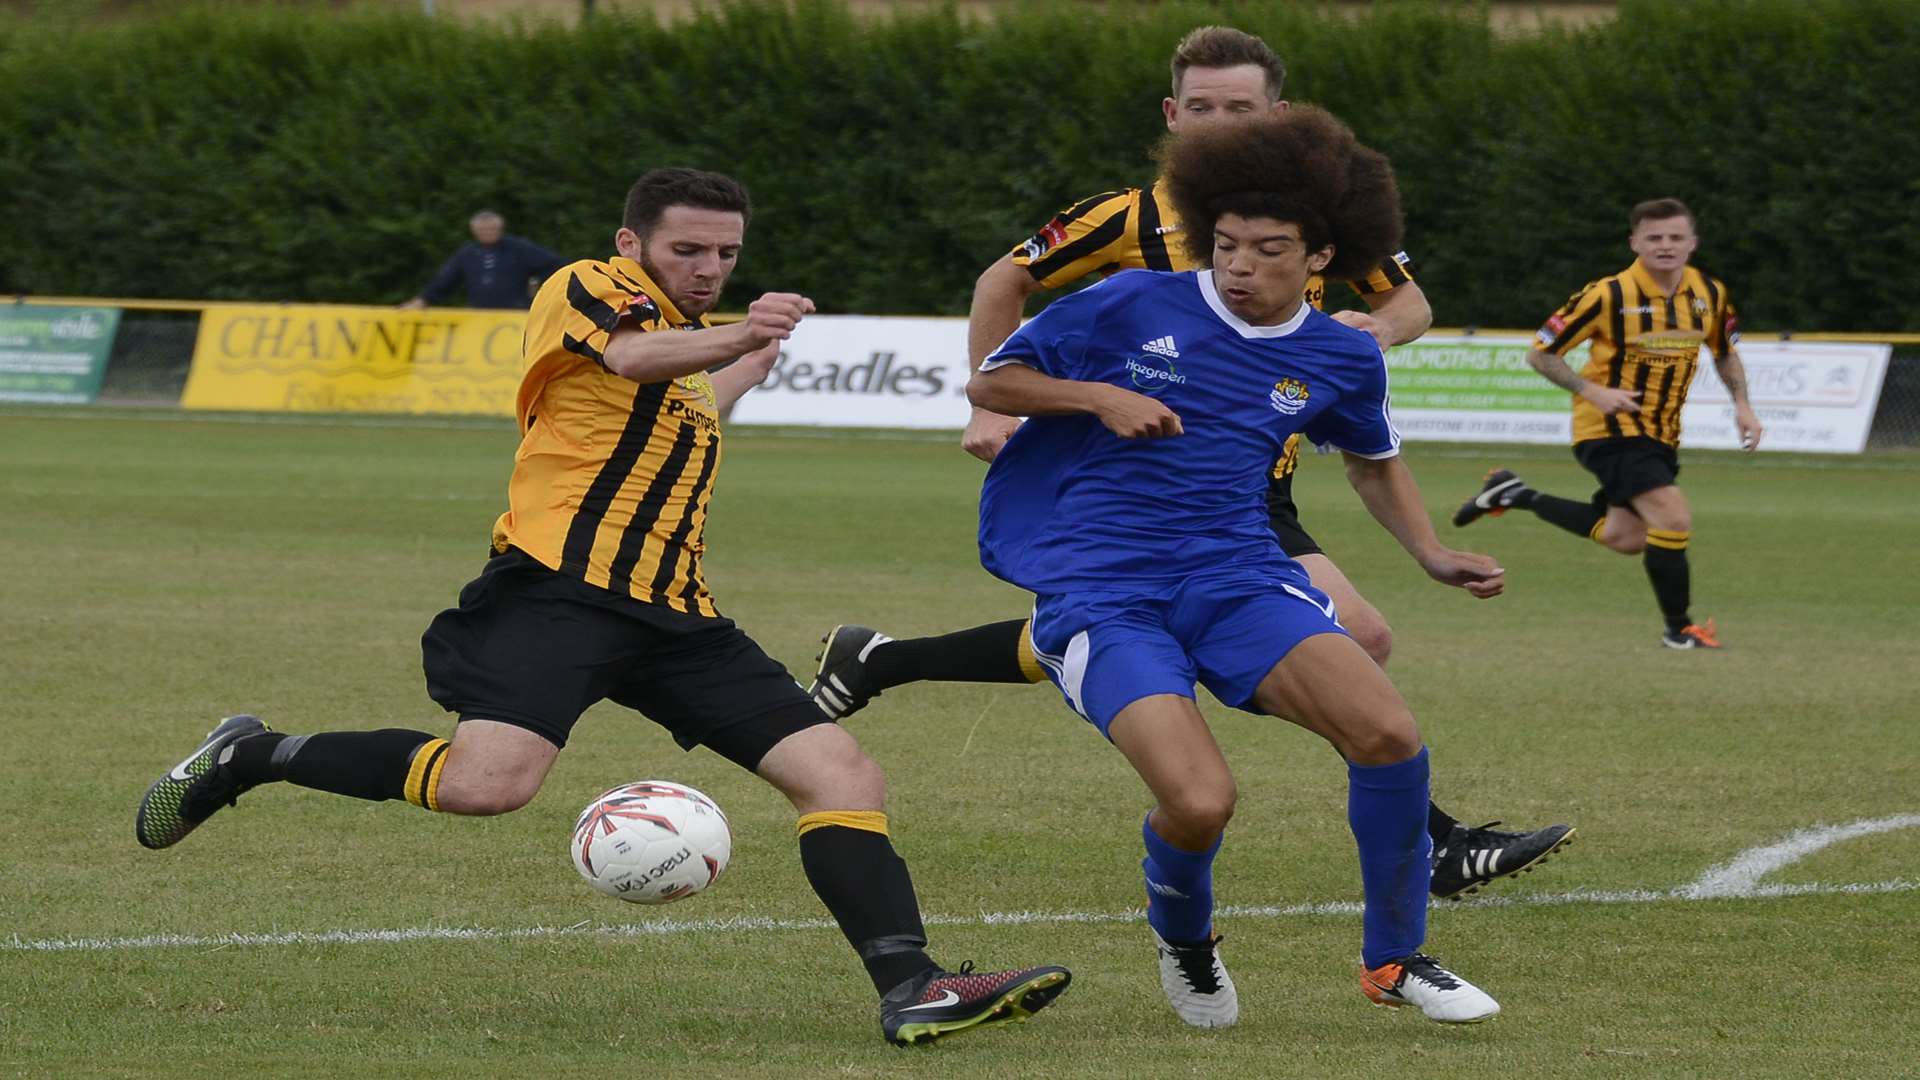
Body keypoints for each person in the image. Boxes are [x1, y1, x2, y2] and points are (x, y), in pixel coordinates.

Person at [135, 168, 1070, 1048]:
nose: (709, 270)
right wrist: (740, 333)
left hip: (679, 617)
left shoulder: (693, 358)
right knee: (485, 788)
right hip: (557, 594)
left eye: (726, 256)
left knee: (841, 776)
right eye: (688, 252)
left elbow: (697, 390)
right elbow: (632, 357)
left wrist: (750, 359)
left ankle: (914, 988)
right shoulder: (587, 287)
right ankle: (251, 754)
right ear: (633, 243)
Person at [807, 25, 1572, 903]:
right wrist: (987, 404)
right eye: (1198, 108)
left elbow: (1407, 299)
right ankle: (1435, 841)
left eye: (1237, 108)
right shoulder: (1124, 219)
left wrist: (1374, 332)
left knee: (1239, 634)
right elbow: (1001, 284)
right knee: (1354, 635)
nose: (1215, 124)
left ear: (1277, 114)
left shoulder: (1310, 212)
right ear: (1171, 115)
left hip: (1254, 478)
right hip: (1147, 477)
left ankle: (885, 660)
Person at [967, 105, 1502, 1026]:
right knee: (1202, 802)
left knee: (1389, 737)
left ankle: (1396, 961)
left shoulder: (1342, 352)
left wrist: (1433, 553)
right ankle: (1186, 940)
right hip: (1104, 594)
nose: (1239, 266)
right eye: (1225, 245)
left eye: (1267, 249)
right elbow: (992, 383)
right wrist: (1099, 398)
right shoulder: (1130, 302)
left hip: (1239, 575)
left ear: (1322, 259)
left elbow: (1372, 460)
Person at [1451, 197, 1760, 649]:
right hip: (1609, 430)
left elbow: (1725, 351)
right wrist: (1592, 391)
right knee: (1672, 517)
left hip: (1661, 434)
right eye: (1654, 237)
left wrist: (1743, 405)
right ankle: (1680, 631)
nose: (1665, 246)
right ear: (1635, 242)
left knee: (1626, 536)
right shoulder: (1607, 295)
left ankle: (1514, 494)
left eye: (1675, 237)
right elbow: (1541, 353)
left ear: (1692, 243)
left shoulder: (1709, 294)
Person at [401, 210, 568, 310]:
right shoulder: (467, 254)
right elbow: (446, 280)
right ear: (474, 230)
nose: (487, 232)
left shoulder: (520, 248)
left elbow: (554, 266)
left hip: (514, 316)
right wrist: (423, 300)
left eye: (492, 228)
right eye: (482, 229)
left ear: (500, 228)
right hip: (479, 317)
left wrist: (542, 289)